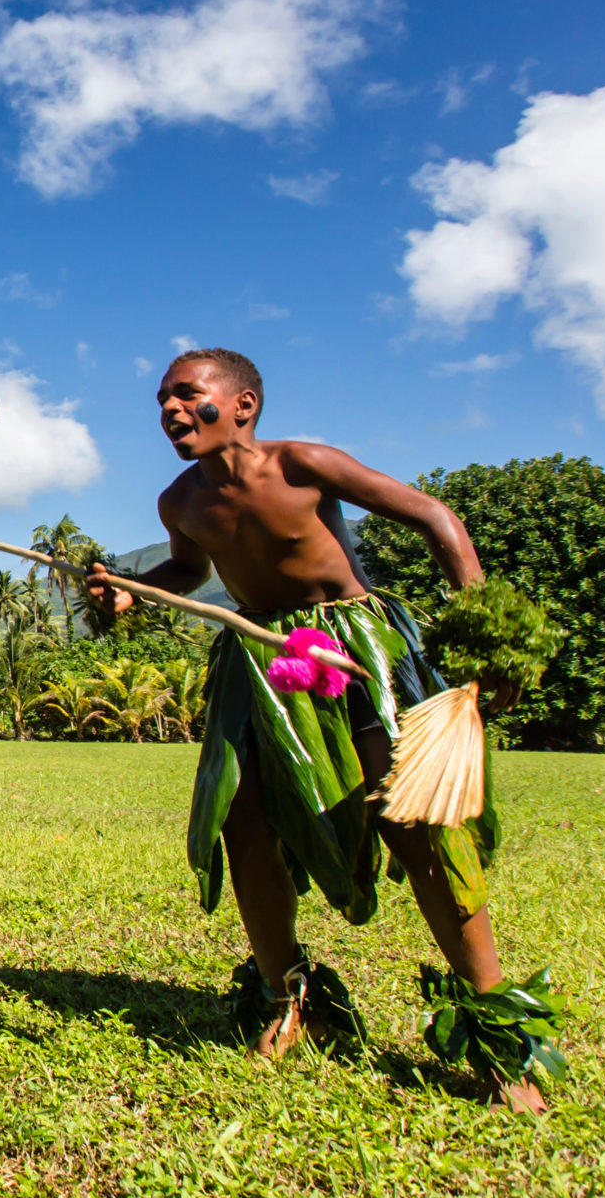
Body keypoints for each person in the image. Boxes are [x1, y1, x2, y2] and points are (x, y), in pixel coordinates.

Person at [89, 348, 555, 1111]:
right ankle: (283, 994)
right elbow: (184, 571)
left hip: (354, 650)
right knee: (243, 822)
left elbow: (435, 515)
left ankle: (495, 1029)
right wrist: (127, 594)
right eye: (163, 401)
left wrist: (485, 630)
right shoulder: (181, 502)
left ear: (243, 405)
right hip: (260, 662)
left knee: (419, 823)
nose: (171, 411)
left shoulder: (302, 462)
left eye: (188, 396)